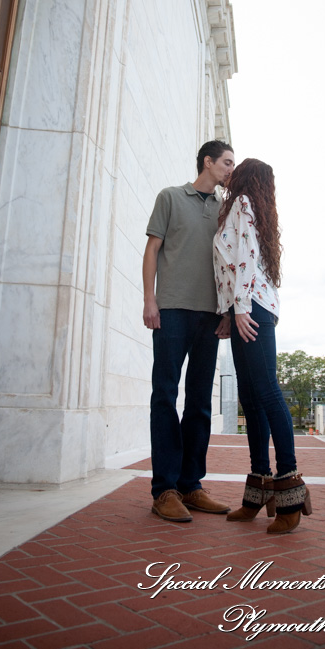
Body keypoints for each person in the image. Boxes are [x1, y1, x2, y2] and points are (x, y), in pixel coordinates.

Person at [213, 158, 312, 535]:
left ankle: (290, 489)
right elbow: (233, 267)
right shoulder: (250, 208)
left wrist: (239, 308)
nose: (230, 172)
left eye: (235, 168)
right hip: (247, 306)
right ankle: (260, 489)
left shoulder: (243, 203)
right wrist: (228, 312)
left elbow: (246, 258)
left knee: (267, 392)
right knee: (251, 398)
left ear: (245, 178)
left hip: (251, 307)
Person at [143, 140, 235, 521]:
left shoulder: (226, 210)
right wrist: (150, 299)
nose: (231, 169)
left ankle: (191, 485)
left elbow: (229, 263)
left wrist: (226, 311)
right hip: (171, 311)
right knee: (165, 395)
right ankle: (164, 489)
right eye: (227, 162)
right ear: (207, 162)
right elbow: (152, 250)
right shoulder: (170, 197)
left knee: (199, 401)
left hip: (210, 317)